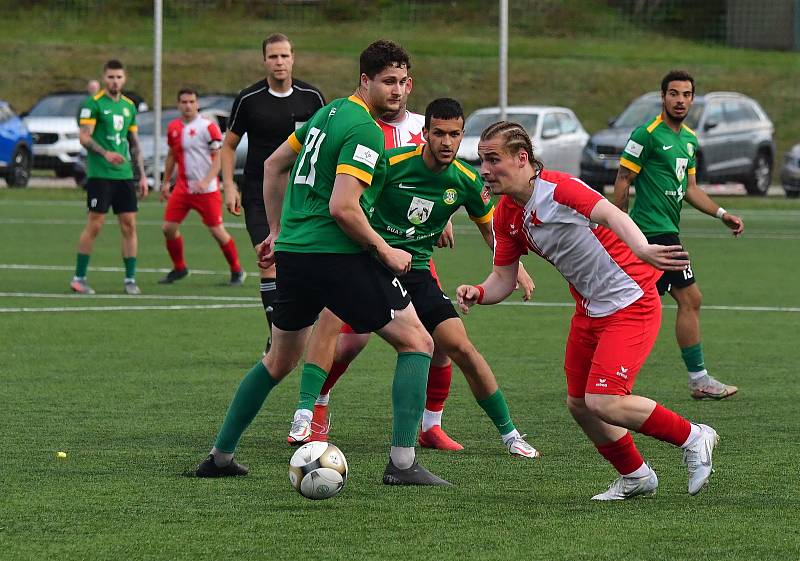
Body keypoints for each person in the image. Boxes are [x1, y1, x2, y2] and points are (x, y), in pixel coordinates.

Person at [195, 40, 449, 486]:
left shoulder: (326, 112)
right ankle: (403, 465)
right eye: (387, 82)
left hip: (294, 254)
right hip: (335, 255)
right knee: (418, 343)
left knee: (279, 359)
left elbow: (274, 165)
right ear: (365, 81)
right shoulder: (365, 129)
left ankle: (220, 456)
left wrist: (277, 232)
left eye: (403, 82)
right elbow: (343, 208)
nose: (398, 92)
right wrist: (385, 250)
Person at [456, 121, 721, 500]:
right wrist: (479, 291)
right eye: (482, 160)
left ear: (522, 159)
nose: (484, 169)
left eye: (493, 159)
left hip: (632, 301)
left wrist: (643, 249)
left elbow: (613, 215)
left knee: (605, 399)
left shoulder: (560, 189)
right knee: (580, 404)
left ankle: (695, 436)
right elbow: (503, 278)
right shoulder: (506, 215)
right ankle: (636, 476)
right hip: (590, 311)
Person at [288, 98, 538, 459]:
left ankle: (509, 433)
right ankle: (307, 410)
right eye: (438, 133)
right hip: (368, 261)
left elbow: (491, 230)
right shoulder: (390, 164)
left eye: (454, 134)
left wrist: (516, 268)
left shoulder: (466, 181)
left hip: (416, 270)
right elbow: (352, 202)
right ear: (425, 134)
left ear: (462, 136)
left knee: (459, 346)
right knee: (338, 328)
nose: (446, 142)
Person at [613, 70, 742, 400]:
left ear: (692, 99)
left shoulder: (689, 139)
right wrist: (619, 226)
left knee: (653, 303)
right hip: (650, 233)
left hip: (668, 232)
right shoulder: (648, 134)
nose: (680, 100)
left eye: (686, 95)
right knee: (676, 301)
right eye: (674, 94)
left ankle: (690, 379)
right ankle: (693, 379)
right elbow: (624, 179)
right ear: (663, 97)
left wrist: (722, 214)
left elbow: (691, 189)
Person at [221, 33, 325, 348]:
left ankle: (302, 330)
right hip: (259, 195)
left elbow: (328, 141)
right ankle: (277, 339)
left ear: (293, 58)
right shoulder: (249, 99)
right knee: (268, 259)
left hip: (304, 196)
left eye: (284, 56)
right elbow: (228, 146)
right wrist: (228, 186)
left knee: (305, 265)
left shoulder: (312, 98)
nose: (279, 62)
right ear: (264, 60)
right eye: (272, 57)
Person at [70, 59, 148, 295]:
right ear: (104, 78)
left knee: (129, 225)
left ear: (124, 79)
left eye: (119, 77)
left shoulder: (128, 107)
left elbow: (134, 144)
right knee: (95, 225)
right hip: (100, 175)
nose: (115, 81)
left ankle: (130, 279)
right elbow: (84, 137)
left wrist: (142, 176)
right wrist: (105, 153)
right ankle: (79, 278)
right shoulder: (92, 104)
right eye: (111, 77)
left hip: (124, 175)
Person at [157, 88, 245, 286]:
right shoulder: (173, 127)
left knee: (217, 231)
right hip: (183, 188)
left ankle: (236, 270)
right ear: (178, 105)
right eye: (184, 102)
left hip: (207, 190)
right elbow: (172, 155)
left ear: (197, 104)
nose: (188, 106)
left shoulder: (208, 127)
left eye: (191, 102)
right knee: (168, 228)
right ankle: (179, 268)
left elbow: (219, 158)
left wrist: (206, 181)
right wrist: (165, 182)